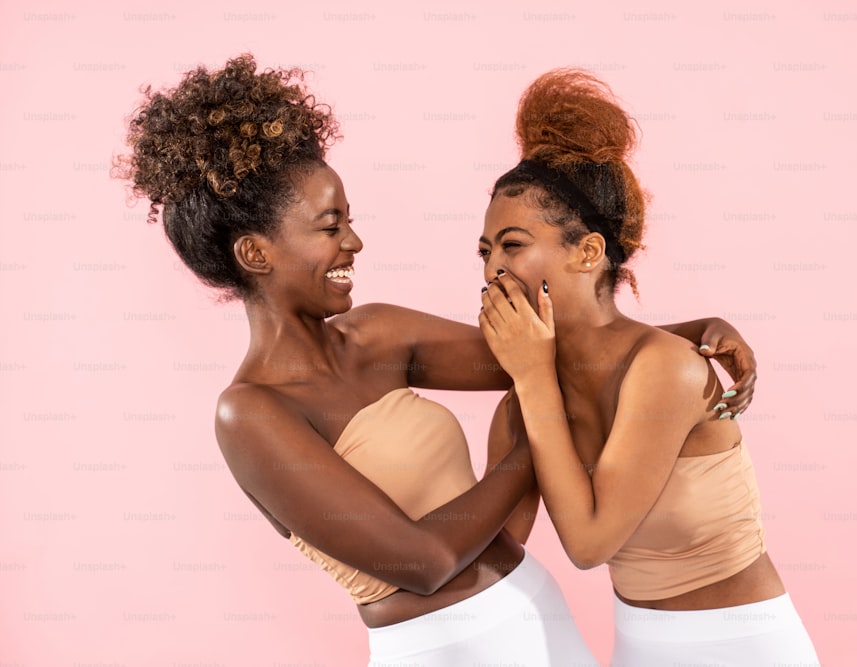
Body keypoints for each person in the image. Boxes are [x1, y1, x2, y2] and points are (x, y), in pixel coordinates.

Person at [117, 54, 759, 666]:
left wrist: (685, 335)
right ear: (257, 255)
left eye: (349, 221)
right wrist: (533, 444)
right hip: (447, 651)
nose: (353, 241)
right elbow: (422, 560)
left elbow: (546, 355)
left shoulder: (377, 334)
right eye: (329, 225)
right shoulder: (250, 413)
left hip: (540, 616)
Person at [478, 69, 820, 665]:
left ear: (588, 252)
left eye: (511, 246)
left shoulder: (669, 369)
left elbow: (588, 544)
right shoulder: (524, 403)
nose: (491, 272)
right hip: (637, 645)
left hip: (744, 644)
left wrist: (532, 380)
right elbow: (495, 554)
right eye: (484, 252)